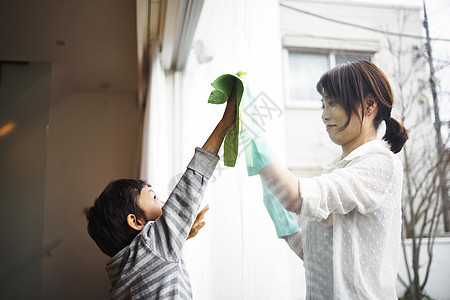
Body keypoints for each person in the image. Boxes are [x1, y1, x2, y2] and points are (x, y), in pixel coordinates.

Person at [257, 60, 408, 299]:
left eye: (333, 103)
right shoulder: (337, 170)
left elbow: (296, 196)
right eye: (323, 104)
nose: (324, 115)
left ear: (369, 105)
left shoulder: (379, 163)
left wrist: (255, 142)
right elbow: (314, 253)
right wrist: (285, 223)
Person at [86, 85, 237, 299]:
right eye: (154, 197)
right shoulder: (151, 248)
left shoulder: (122, 279)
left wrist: (178, 237)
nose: (165, 201)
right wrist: (224, 123)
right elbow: (190, 186)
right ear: (136, 222)